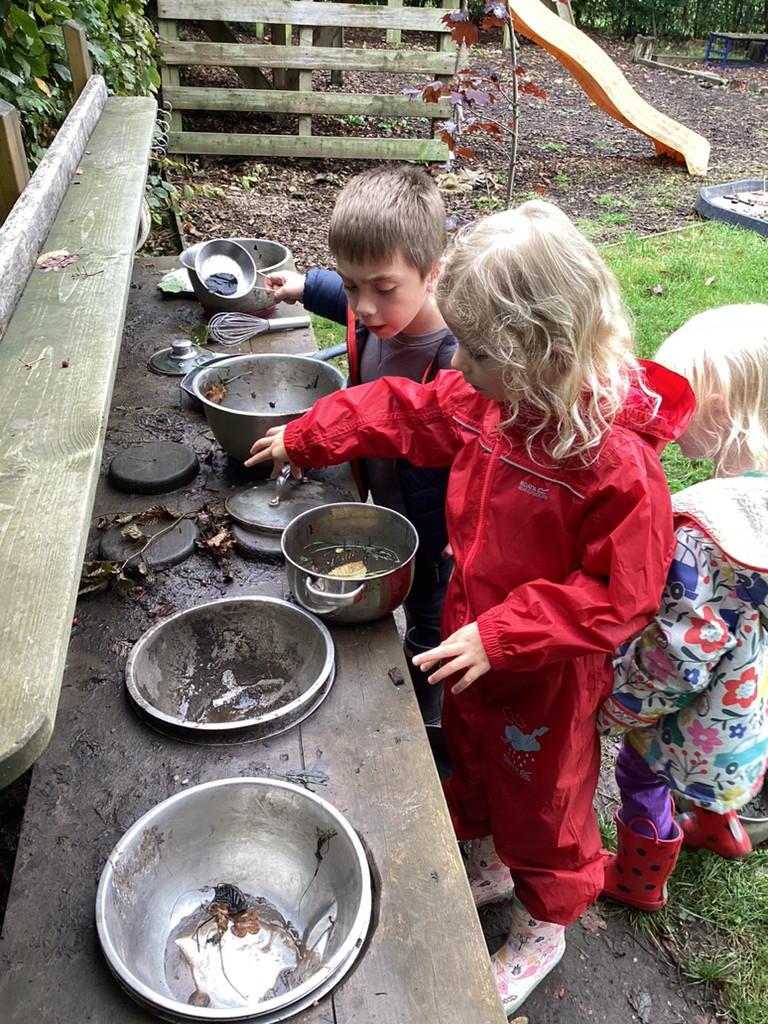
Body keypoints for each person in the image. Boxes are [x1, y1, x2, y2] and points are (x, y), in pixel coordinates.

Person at [246, 200, 695, 1015]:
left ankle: (544, 923)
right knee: (472, 753)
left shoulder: (617, 467)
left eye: (478, 352)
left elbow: (619, 592)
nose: (460, 363)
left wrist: (506, 634)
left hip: (545, 678)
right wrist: (309, 434)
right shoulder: (496, 401)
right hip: (470, 638)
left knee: (546, 802)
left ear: (543, 352)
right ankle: (490, 859)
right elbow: (403, 410)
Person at [264, 165, 456, 727]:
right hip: (387, 497)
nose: (364, 306)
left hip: (437, 529)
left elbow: (478, 450)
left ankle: (428, 717)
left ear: (433, 273)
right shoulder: (375, 315)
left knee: (429, 621)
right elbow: (347, 298)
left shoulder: (457, 358)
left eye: (382, 289)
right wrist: (305, 286)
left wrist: (469, 524)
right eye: (352, 286)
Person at [598, 304, 768, 911]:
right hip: (744, 709)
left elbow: (680, 654)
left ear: (717, 411)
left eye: (676, 398)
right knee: (710, 776)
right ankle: (722, 827)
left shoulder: (705, 534)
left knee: (638, 776)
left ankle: (638, 879)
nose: (658, 409)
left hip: (690, 722)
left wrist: (621, 702)